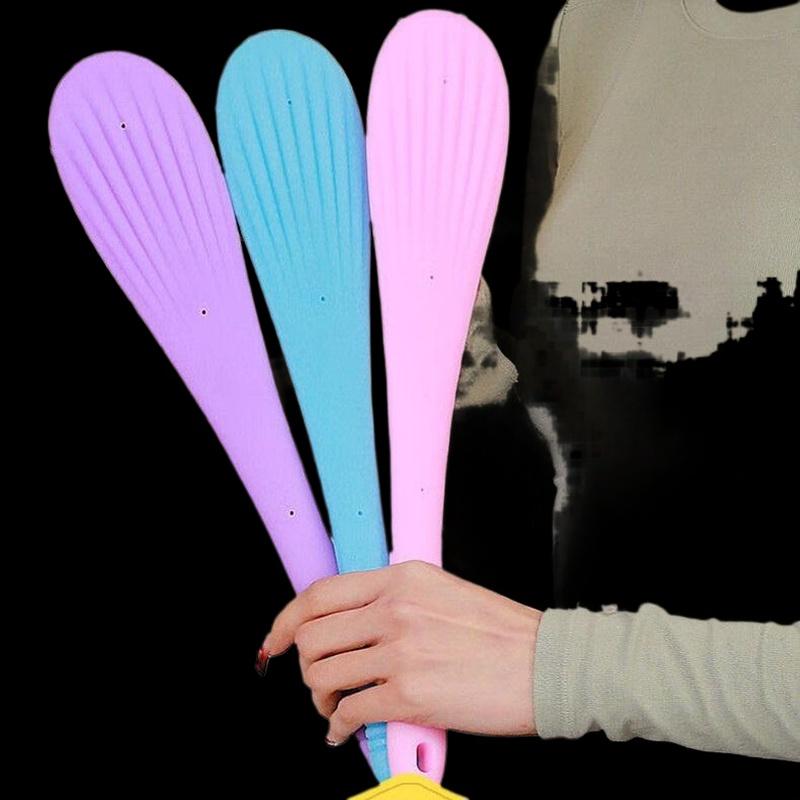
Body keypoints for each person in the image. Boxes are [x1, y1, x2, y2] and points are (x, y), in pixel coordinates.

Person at [255, 0, 800, 769]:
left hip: (581, 695)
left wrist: (557, 668)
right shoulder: (599, 20)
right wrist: (461, 372)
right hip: (542, 727)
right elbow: (584, 399)